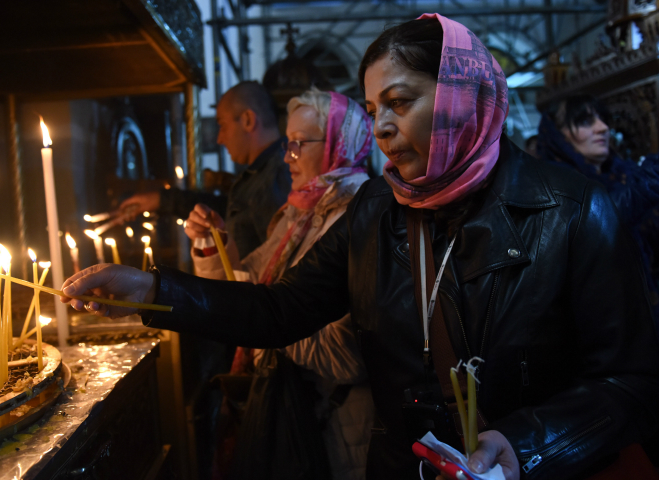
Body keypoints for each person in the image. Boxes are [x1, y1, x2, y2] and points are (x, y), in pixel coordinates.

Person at [62, 15, 659, 480]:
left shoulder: (576, 209)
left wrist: (524, 443)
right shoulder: (377, 207)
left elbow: (629, 381)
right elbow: (281, 311)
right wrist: (153, 289)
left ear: (461, 94)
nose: (380, 128)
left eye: (400, 103)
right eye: (373, 110)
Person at [184, 87, 374, 480]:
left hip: (336, 428)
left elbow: (348, 355)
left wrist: (268, 323)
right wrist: (212, 246)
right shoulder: (297, 211)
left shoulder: (361, 216)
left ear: (339, 142)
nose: (287, 158)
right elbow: (248, 288)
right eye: (287, 144)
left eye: (298, 145)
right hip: (290, 409)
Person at [119, 81, 291, 258]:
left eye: (222, 125)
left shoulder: (278, 176)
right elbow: (230, 212)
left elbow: (278, 261)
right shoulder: (261, 175)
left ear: (248, 120)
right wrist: (161, 199)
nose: (219, 139)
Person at [536, 94, 659, 334]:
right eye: (585, 122)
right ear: (558, 135)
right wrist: (650, 183)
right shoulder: (550, 186)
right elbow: (598, 218)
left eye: (603, 119)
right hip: (599, 330)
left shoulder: (623, 174)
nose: (603, 128)